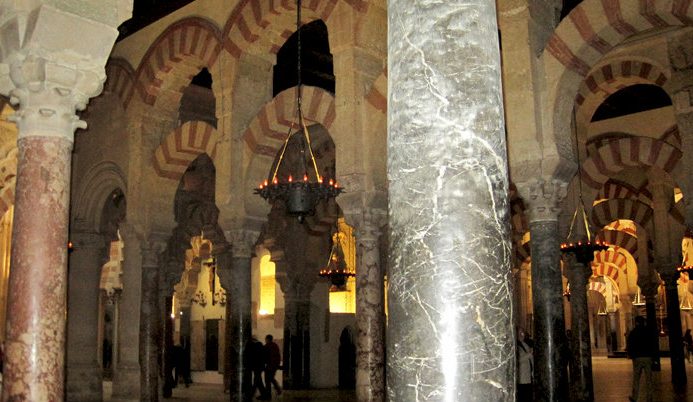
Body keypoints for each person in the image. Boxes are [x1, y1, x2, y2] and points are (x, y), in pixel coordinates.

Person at [627, 316, 654, 402]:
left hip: (637, 357)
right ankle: (649, 397)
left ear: (636, 322)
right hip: (647, 357)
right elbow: (652, 343)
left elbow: (630, 344)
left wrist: (630, 355)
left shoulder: (633, 332)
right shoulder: (648, 332)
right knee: (649, 378)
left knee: (636, 378)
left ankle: (635, 397)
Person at [243, 336, 267, 400]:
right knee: (258, 380)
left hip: (255, 366)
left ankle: (251, 395)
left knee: (257, 380)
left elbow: (249, 356)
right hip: (260, 366)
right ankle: (263, 394)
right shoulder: (260, 345)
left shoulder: (251, 345)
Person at [260, 334, 282, 399]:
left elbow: (264, 356)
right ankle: (277, 389)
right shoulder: (275, 345)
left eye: (266, 339)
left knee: (268, 379)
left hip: (269, 365)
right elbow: (277, 356)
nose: (265, 340)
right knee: (271, 378)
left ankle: (269, 393)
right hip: (274, 365)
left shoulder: (267, 346)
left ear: (267, 339)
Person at [516, 328, 533, 402]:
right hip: (521, 378)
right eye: (519, 333)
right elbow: (517, 360)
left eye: (522, 332)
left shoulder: (525, 344)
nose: (521, 335)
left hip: (528, 376)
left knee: (528, 397)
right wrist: (529, 354)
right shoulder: (515, 345)